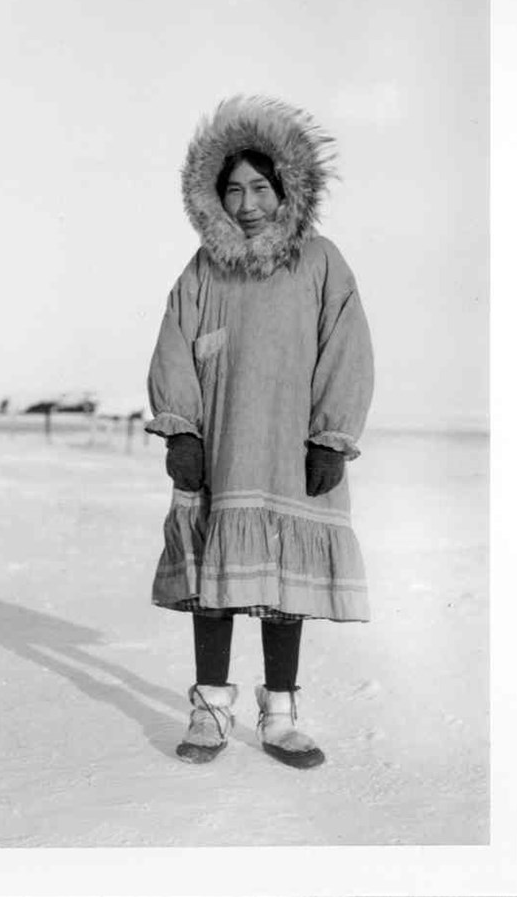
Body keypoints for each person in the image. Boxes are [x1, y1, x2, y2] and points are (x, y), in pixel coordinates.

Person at [145, 95, 374, 769]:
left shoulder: (321, 261)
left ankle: (280, 716)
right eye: (233, 189)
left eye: (260, 188)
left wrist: (330, 436)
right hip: (222, 451)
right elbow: (174, 344)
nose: (246, 203)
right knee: (214, 582)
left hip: (290, 452)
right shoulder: (203, 269)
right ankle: (211, 709)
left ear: (287, 190)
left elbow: (347, 348)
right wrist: (181, 430)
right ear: (213, 196)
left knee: (283, 586)